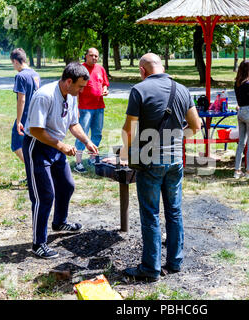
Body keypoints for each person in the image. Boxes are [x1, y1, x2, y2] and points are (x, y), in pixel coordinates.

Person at [120, 53, 201, 282]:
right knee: (174, 211)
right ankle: (175, 262)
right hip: (175, 161)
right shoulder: (182, 89)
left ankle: (150, 268)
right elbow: (196, 126)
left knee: (151, 214)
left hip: (150, 162)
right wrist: (174, 136)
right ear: (162, 67)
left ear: (142, 71)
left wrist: (125, 155)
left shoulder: (139, 90)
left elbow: (129, 129)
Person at [22, 62, 99, 259]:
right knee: (44, 196)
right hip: (38, 147)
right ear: (68, 82)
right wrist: (61, 146)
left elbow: (73, 123)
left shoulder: (71, 95)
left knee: (66, 185)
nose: (82, 91)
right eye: (80, 86)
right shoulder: (44, 95)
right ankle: (38, 243)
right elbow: (37, 130)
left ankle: (59, 222)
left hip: (56, 146)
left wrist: (87, 141)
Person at [74, 48, 110, 173]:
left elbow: (105, 83)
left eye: (96, 56)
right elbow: (76, 90)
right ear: (86, 56)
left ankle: (92, 158)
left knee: (97, 134)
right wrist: (76, 108)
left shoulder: (100, 69)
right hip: (84, 108)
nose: (94, 58)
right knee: (82, 134)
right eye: (91, 55)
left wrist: (105, 89)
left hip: (99, 107)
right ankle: (78, 163)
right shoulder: (80, 69)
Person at [10, 48, 41, 163]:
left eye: (13, 64)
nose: (14, 67)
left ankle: (32, 170)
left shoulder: (20, 76)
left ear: (16, 61)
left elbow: (21, 100)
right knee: (31, 146)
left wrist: (19, 121)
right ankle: (35, 172)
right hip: (35, 116)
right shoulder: (35, 74)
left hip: (25, 117)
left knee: (16, 145)